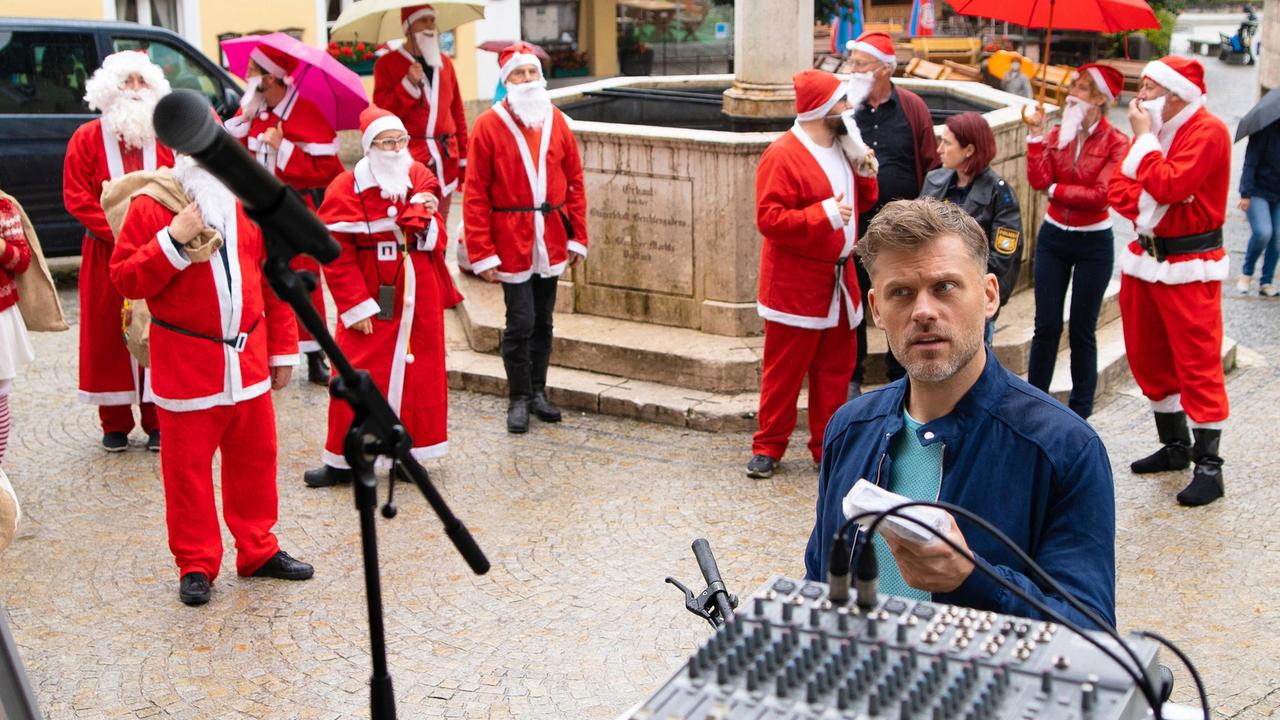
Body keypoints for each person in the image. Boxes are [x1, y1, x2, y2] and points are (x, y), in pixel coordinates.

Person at [804, 198, 1116, 629]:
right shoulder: (850, 428)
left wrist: (973, 579)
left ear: (989, 295)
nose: (924, 311)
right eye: (901, 293)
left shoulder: (1065, 449)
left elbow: (1092, 634)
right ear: (876, 309)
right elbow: (818, 583)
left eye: (945, 287)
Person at [109, 154, 313, 606]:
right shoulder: (152, 205)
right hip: (186, 364)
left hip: (249, 358)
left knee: (256, 459)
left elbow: (271, 279)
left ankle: (258, 549)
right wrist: (172, 240)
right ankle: (196, 562)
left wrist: (282, 348)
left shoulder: (245, 201)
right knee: (187, 471)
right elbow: (125, 278)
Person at [302, 107, 463, 488]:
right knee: (353, 373)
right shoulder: (346, 188)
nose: (395, 148)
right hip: (371, 294)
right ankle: (343, 459)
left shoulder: (418, 178)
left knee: (417, 376)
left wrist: (423, 223)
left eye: (400, 140)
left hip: (416, 291)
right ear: (369, 146)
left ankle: (408, 454)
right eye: (386, 141)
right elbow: (336, 254)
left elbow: (436, 231)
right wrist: (355, 305)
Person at [1108, 56, 1231, 507]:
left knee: (1198, 362)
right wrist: (1153, 185)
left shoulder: (1208, 131)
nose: (1139, 98)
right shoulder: (1158, 132)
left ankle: (1210, 466)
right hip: (1146, 259)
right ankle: (1176, 445)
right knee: (1148, 356)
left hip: (1191, 264)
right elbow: (1118, 192)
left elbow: (1170, 186)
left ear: (1176, 92)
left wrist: (1143, 145)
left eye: (1148, 88)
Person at [746, 69, 878, 479]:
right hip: (796, 287)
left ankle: (827, 447)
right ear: (822, 109)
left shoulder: (843, 146)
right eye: (841, 102)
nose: (849, 108)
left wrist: (868, 175)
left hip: (840, 283)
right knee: (783, 373)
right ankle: (768, 447)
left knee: (835, 372)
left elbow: (861, 202)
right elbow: (768, 219)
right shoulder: (782, 154)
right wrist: (822, 215)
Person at [464, 43, 588, 434]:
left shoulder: (556, 121)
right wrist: (481, 253)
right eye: (519, 74)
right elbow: (475, 193)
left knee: (545, 321)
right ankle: (517, 396)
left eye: (532, 73)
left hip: (550, 235)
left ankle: (538, 392)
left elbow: (576, 183)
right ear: (506, 81)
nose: (528, 80)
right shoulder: (488, 125)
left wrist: (577, 237)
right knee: (520, 321)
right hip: (511, 239)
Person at [63, 51, 174, 452]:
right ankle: (114, 422)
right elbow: (76, 196)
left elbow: (177, 186)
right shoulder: (86, 138)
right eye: (127, 82)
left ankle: (158, 419)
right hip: (105, 253)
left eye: (141, 82)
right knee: (108, 333)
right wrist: (116, 230)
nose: (135, 90)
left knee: (155, 328)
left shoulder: (166, 136)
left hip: (156, 250)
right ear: (110, 88)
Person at [225, 43, 345, 386]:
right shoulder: (252, 110)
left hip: (293, 209)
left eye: (252, 70)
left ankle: (314, 355)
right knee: (258, 279)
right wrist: (243, 123)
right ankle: (267, 350)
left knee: (305, 282)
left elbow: (325, 170)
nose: (246, 76)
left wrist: (284, 148)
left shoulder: (304, 112)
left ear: (269, 78)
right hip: (253, 211)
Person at [1025, 64, 1130, 419]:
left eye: (1082, 89)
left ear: (1101, 99)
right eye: (1073, 86)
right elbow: (1038, 180)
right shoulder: (1058, 134)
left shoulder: (1117, 142)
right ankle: (1034, 404)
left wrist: (1056, 189)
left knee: (1083, 328)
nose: (1072, 94)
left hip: (1094, 243)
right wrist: (1036, 137)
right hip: (1053, 236)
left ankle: (1080, 411)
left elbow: (1102, 195)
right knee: (1047, 325)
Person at [846, 32, 940, 393]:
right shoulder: (846, 107)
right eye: (851, 62)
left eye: (860, 64)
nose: (852, 70)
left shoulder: (912, 107)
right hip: (855, 223)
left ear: (884, 69)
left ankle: (899, 373)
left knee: (900, 298)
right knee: (856, 299)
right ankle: (853, 375)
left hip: (902, 230)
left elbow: (931, 161)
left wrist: (924, 217)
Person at [921, 112, 1022, 343]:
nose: (939, 150)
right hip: (932, 298)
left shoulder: (1000, 194)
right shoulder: (935, 181)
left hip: (970, 305)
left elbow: (1002, 259)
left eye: (947, 143)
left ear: (969, 150)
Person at [373, 4, 469, 222]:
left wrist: (464, 157)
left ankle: (441, 256)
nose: (429, 26)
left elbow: (457, 113)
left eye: (431, 21)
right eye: (422, 21)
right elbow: (382, 114)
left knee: (441, 221)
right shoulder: (386, 64)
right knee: (414, 219)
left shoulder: (444, 63)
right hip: (410, 158)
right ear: (407, 27)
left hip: (445, 157)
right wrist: (407, 85)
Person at [1235, 117, 1280, 297]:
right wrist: (1245, 194)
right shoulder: (1264, 132)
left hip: (1279, 193)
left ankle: (1266, 281)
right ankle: (1246, 273)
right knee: (1263, 232)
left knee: (1278, 236)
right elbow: (1250, 163)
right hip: (1258, 190)